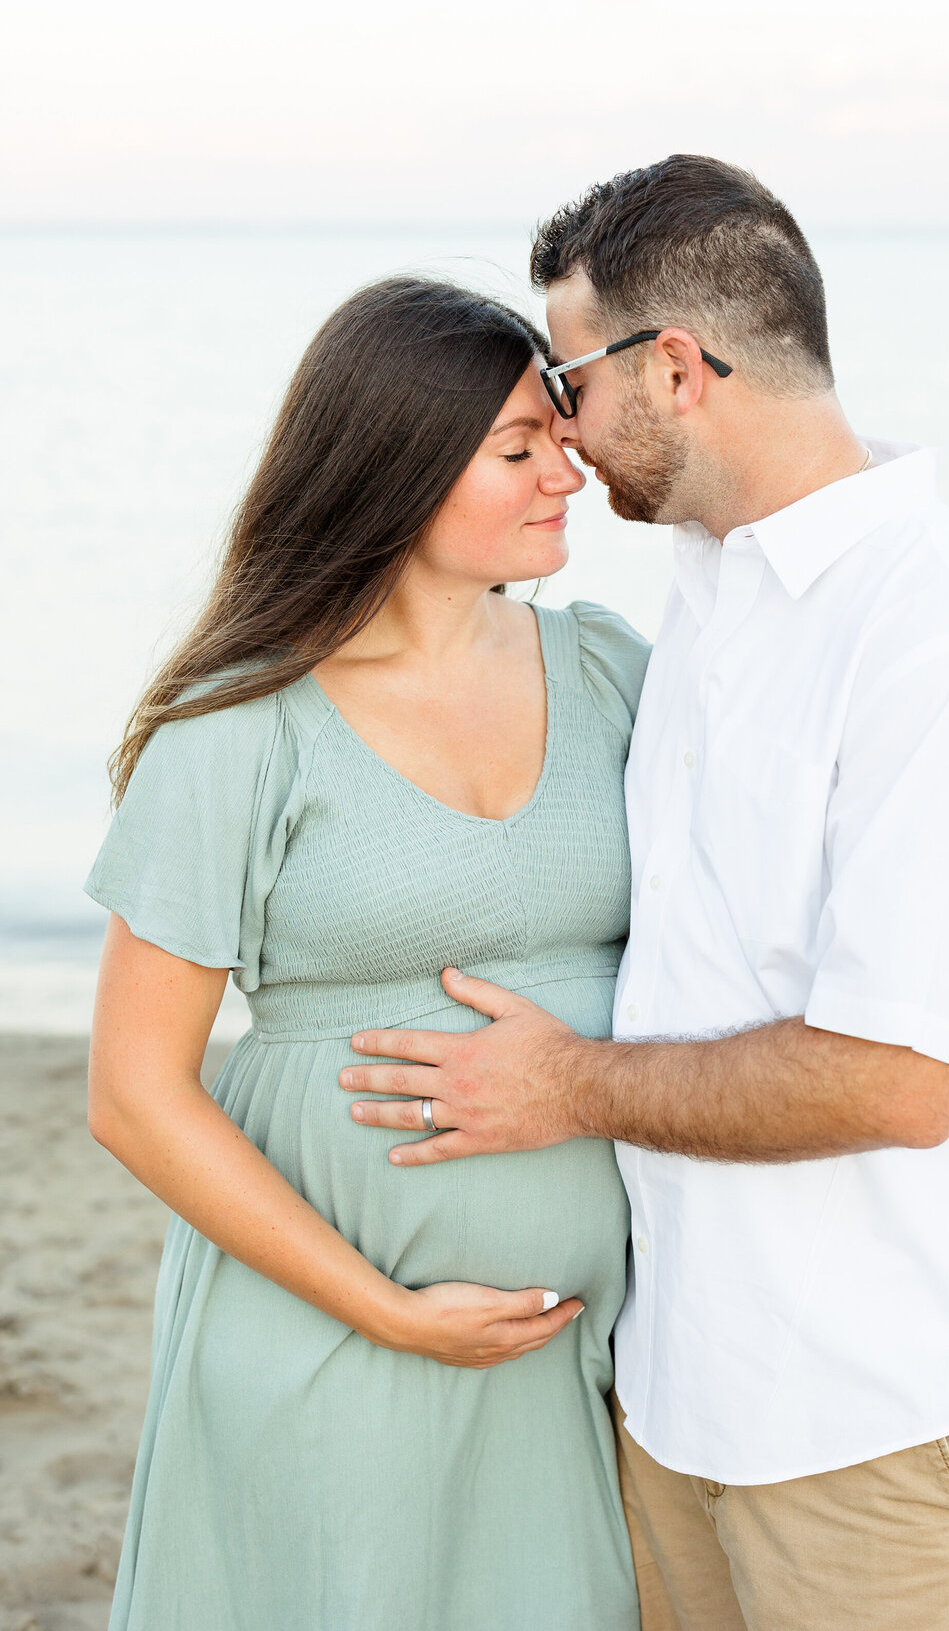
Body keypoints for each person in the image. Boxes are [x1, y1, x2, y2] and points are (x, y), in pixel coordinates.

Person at [339, 156, 949, 1631]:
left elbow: (897, 1082)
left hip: (879, 1409)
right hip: (682, 1385)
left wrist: (565, 1084)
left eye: (566, 375)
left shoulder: (946, 644)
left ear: (675, 369)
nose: (555, 424)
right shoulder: (708, 588)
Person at [84, 279, 650, 1630]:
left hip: (584, 1350)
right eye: (517, 449)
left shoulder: (616, 674)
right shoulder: (243, 726)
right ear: (396, 468)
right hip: (327, 1330)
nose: (566, 471)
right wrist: (389, 1313)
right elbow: (133, 1096)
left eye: (554, 436)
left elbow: (777, 905)